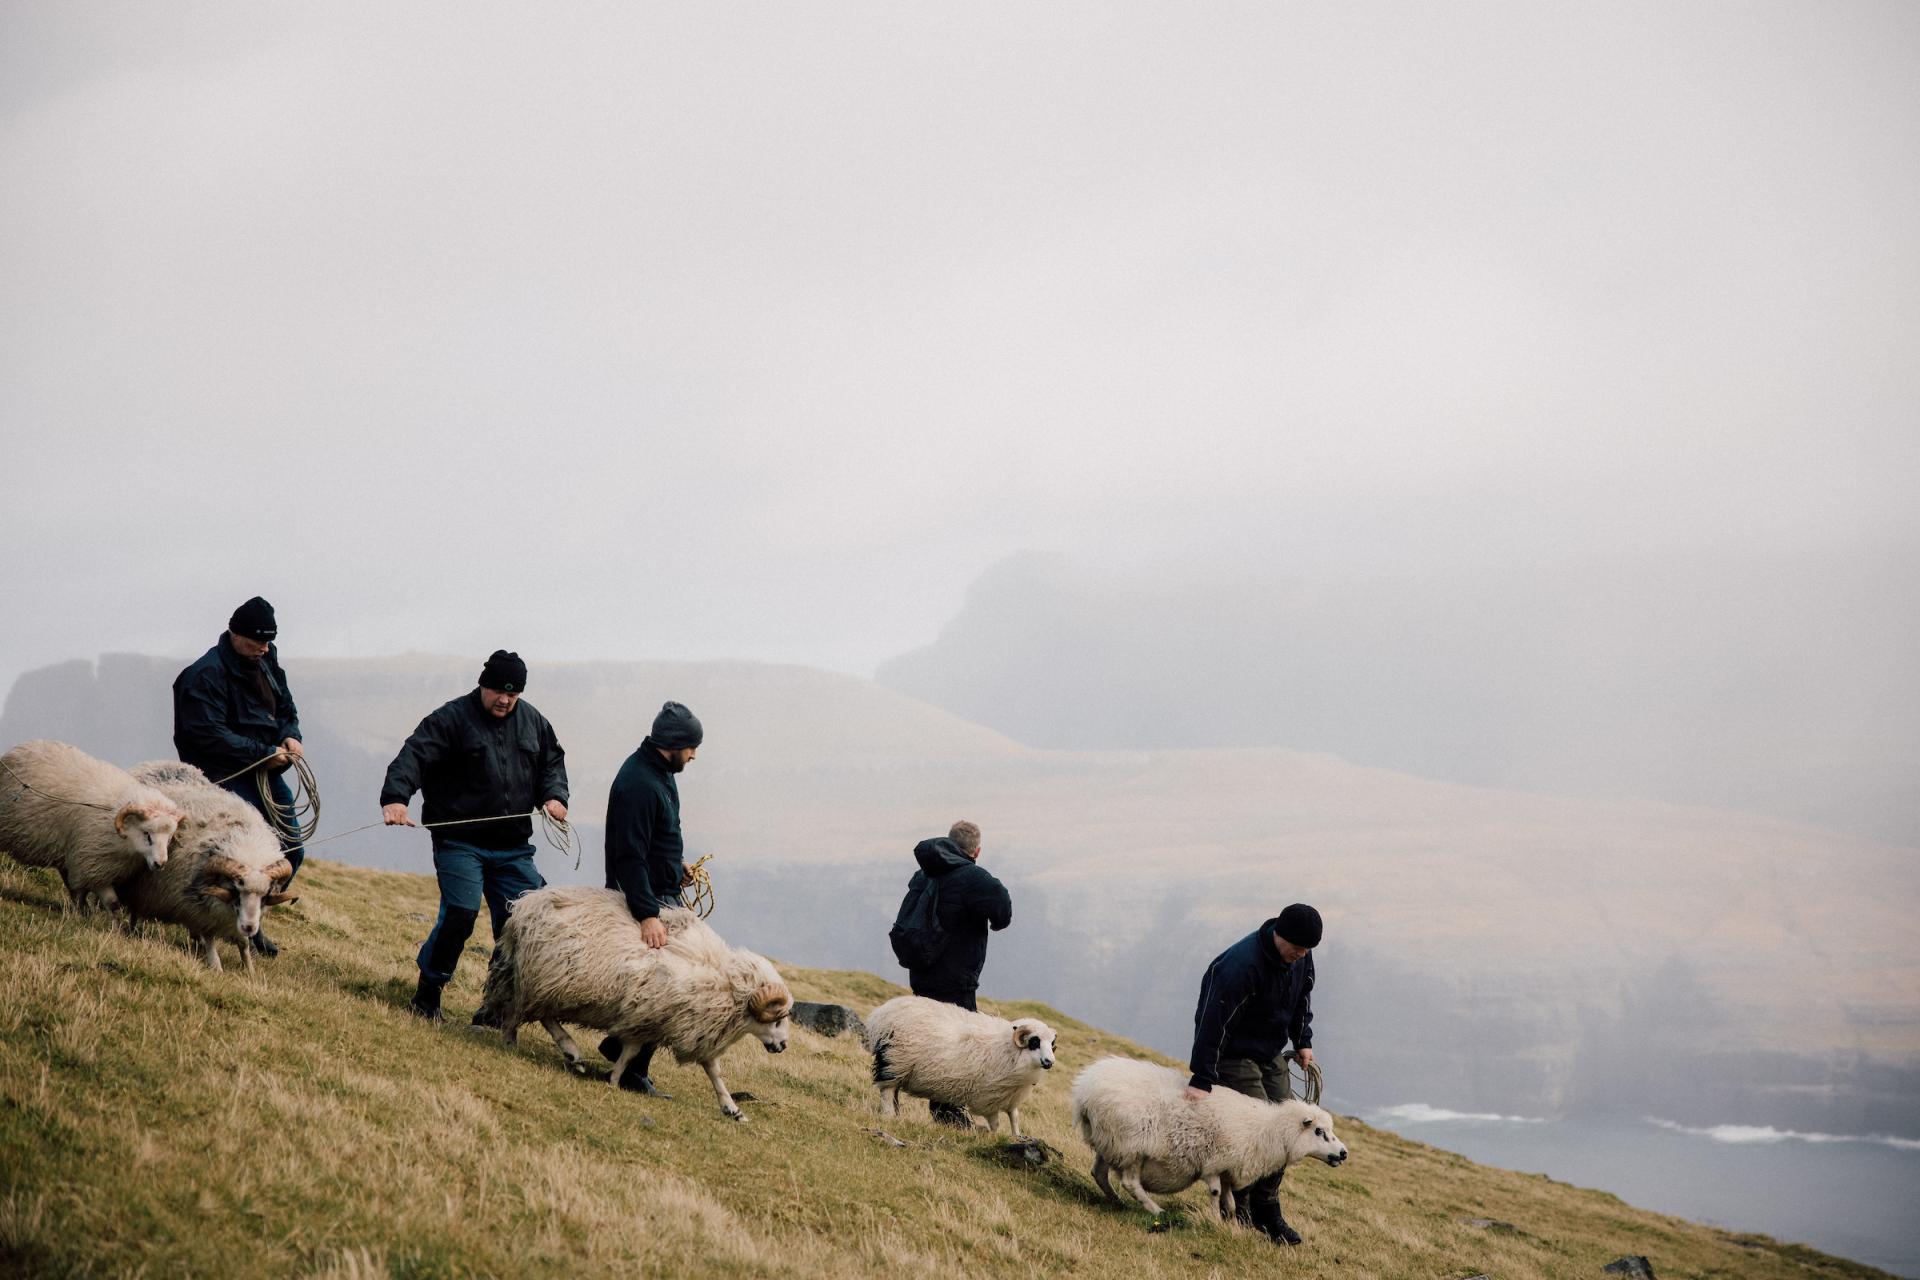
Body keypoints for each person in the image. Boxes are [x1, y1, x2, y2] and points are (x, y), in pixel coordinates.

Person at [380, 650, 568, 1024]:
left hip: (513, 847)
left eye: (512, 694)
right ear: (483, 684)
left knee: (520, 925)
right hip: (459, 841)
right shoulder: (451, 718)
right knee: (461, 914)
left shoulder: (534, 722)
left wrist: (554, 796)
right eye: (498, 690)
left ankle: (494, 1008)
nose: (504, 699)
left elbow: (551, 763)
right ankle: (427, 996)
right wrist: (396, 799)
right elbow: (414, 755)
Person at [172, 595, 305, 956]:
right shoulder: (204, 676)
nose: (263, 649)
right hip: (224, 778)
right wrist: (263, 753)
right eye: (256, 642)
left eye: (268, 642)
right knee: (237, 854)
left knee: (291, 848)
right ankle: (219, 923)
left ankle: (254, 917)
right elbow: (207, 734)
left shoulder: (266, 658)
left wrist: (291, 734)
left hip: (266, 768)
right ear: (234, 634)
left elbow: (285, 705)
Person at [1185, 902, 1323, 1246]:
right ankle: (1241, 1207)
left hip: (1269, 1051)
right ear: (1281, 936)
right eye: (1298, 948)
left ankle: (1267, 1209)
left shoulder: (1300, 955)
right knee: (1259, 1130)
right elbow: (1210, 1021)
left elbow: (1302, 998)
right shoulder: (1239, 966)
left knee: (1289, 1127)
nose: (1302, 955)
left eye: (1307, 950)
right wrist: (1202, 1078)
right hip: (1233, 1054)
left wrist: (1303, 1041)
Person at [597, 700, 705, 1094]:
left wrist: (676, 868)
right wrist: (647, 914)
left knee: (671, 978)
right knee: (666, 982)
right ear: (674, 743)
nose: (693, 755)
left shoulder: (660, 772)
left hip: (661, 890)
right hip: (647, 899)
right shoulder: (640, 784)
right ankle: (630, 1069)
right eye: (691, 747)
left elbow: (654, 843)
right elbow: (630, 855)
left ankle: (622, 1049)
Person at [894, 820, 1011, 1124]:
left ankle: (905, 1093)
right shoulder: (973, 877)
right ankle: (947, 1110)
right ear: (977, 850)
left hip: (921, 969)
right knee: (958, 1044)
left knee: (929, 1036)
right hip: (956, 978)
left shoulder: (924, 873)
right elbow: (1003, 911)